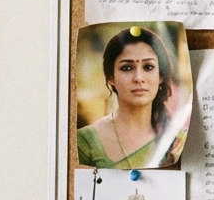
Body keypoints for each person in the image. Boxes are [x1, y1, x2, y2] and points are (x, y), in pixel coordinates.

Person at [77, 26, 185, 169]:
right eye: (127, 68)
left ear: (160, 77)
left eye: (148, 67)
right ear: (111, 78)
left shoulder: (178, 140)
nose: (139, 78)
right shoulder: (85, 142)